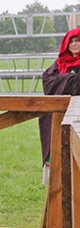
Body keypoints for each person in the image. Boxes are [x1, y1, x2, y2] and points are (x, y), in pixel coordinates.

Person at [39, 28, 80, 183]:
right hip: (58, 115)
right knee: (57, 150)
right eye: (72, 41)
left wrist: (62, 79)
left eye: (78, 40)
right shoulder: (59, 63)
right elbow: (47, 80)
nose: (75, 44)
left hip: (78, 115)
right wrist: (70, 79)